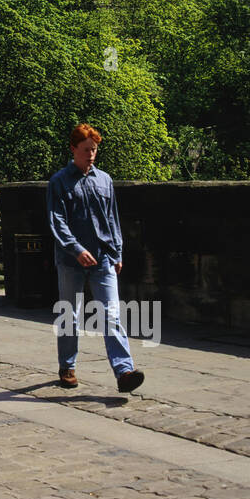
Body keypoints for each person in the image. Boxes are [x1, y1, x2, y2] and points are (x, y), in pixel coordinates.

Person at [47, 123, 144, 393]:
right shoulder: (59, 182)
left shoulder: (105, 180)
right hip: (70, 261)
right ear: (73, 149)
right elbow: (57, 221)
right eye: (86, 149)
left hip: (103, 258)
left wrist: (118, 251)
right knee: (70, 314)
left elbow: (112, 218)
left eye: (95, 150)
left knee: (111, 314)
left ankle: (124, 371)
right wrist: (76, 249)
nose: (91, 154)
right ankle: (67, 366)